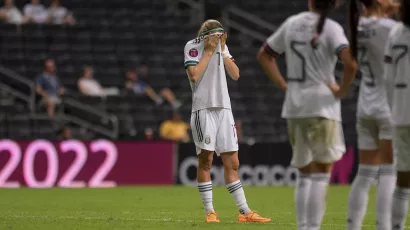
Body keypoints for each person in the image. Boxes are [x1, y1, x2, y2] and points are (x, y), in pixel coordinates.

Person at [257, 0, 358, 229]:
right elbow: (350, 63)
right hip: (322, 106)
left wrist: (283, 85)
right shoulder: (331, 28)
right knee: (322, 173)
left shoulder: (291, 23)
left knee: (304, 173)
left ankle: (304, 227)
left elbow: (264, 55)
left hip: (294, 106)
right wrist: (341, 90)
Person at [184, 19, 271, 223]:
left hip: (225, 110)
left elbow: (236, 74)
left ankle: (245, 212)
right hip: (203, 109)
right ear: (206, 35)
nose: (220, 39)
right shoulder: (192, 46)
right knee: (205, 162)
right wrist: (208, 51)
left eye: (222, 36)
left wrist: (222, 51)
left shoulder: (222, 48)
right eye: (217, 36)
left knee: (233, 163)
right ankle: (210, 212)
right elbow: (195, 76)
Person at [346, 1, 398, 230]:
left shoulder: (357, 26)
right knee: (389, 172)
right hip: (388, 106)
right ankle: (383, 226)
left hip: (365, 106)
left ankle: (353, 226)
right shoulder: (391, 28)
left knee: (365, 173)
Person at [384, 0, 410, 229]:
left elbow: (387, 78)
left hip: (401, 114)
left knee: (403, 181)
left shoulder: (395, 33)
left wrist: (394, 106)